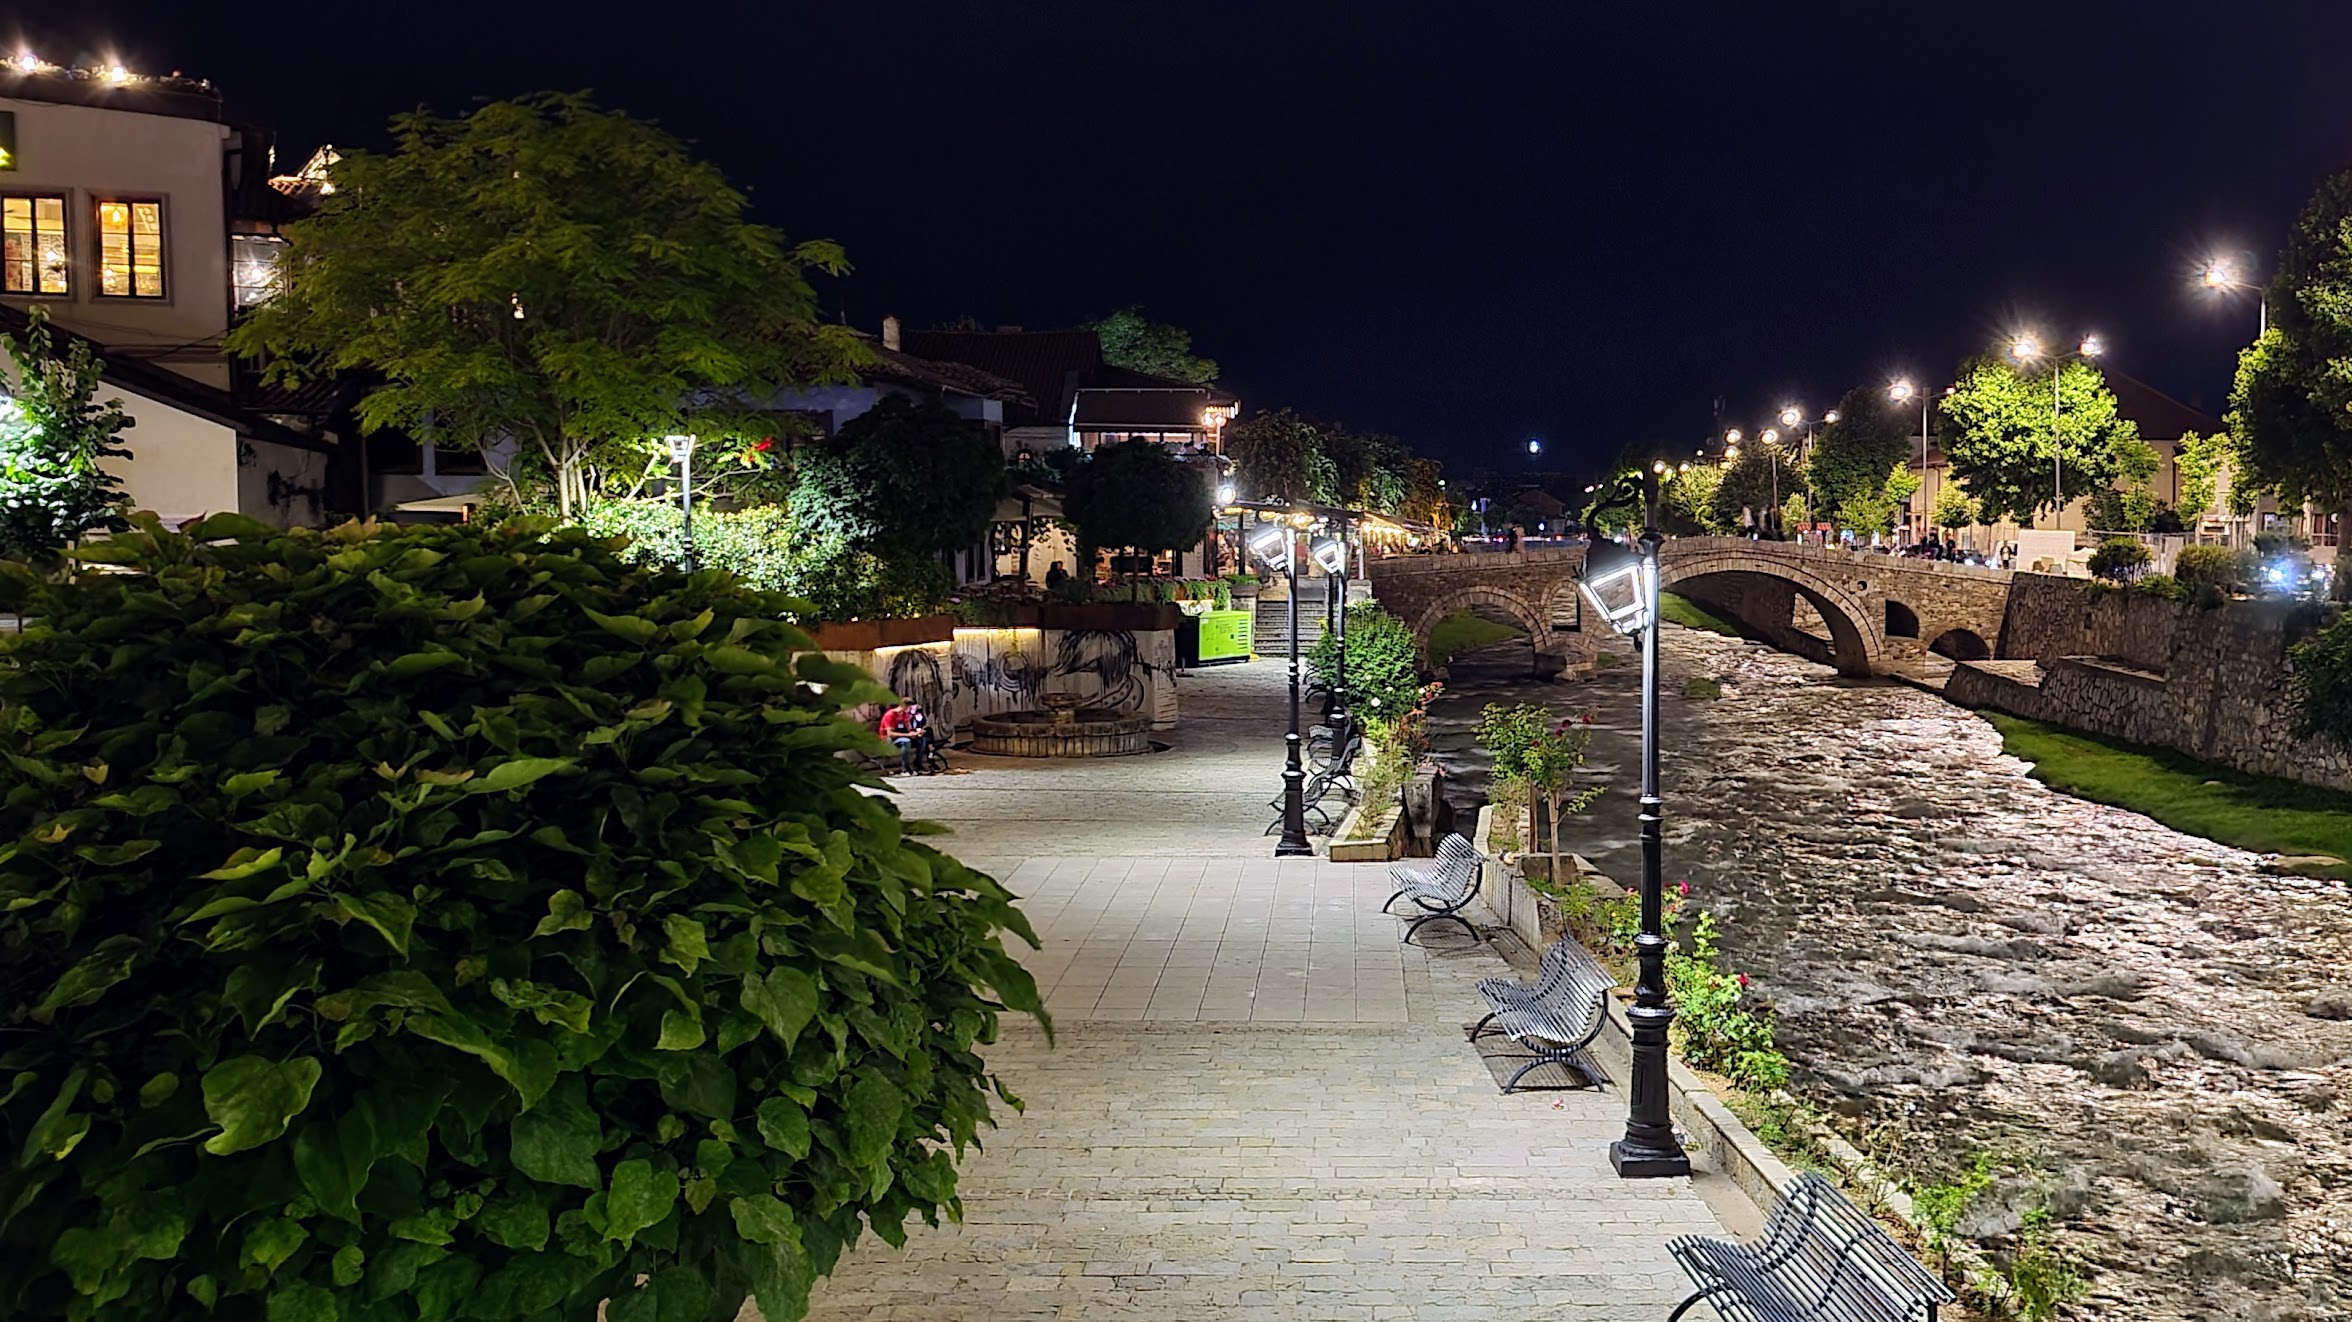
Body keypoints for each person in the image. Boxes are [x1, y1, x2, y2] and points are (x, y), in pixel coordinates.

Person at [878, 698, 921, 774]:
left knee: (922, 740)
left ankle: (917, 766)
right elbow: (890, 734)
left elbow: (908, 729)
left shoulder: (905, 715)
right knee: (906, 741)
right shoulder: (891, 715)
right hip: (889, 739)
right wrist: (908, 735)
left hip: (901, 736)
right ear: (904, 706)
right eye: (909, 708)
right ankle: (905, 769)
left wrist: (915, 733)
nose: (910, 710)